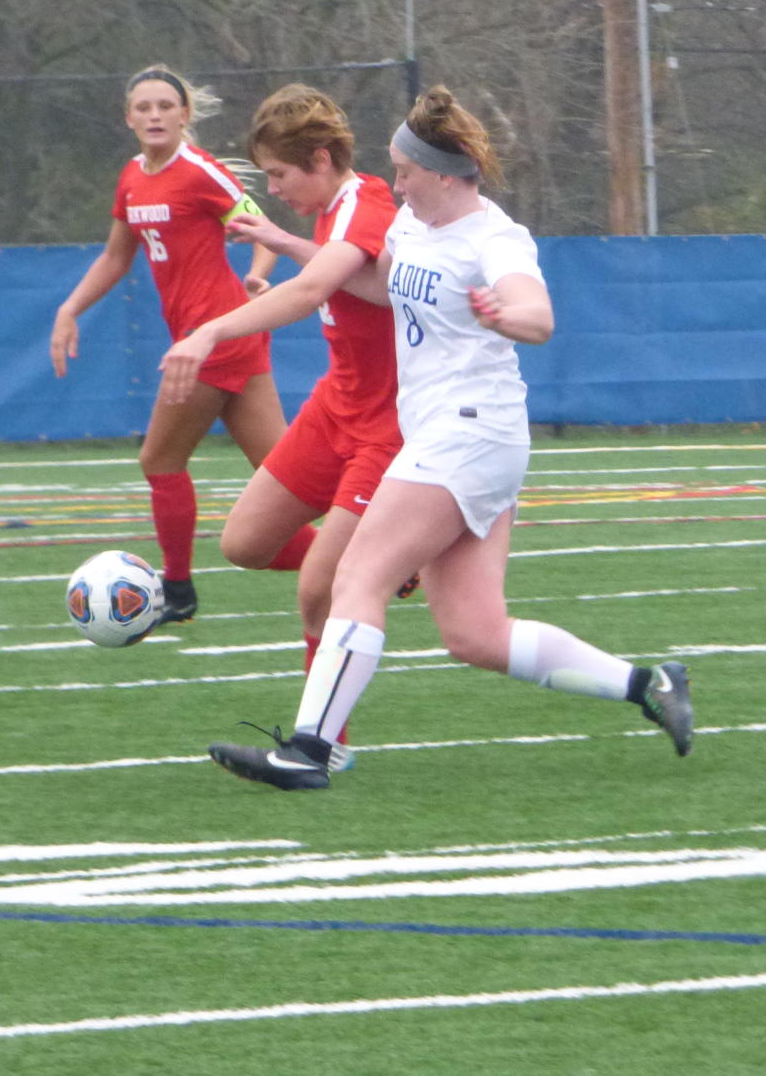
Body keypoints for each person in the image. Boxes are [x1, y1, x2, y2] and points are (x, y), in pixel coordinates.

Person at [207, 85, 695, 789]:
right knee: (474, 634)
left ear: (441, 174)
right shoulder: (411, 225)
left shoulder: (493, 237)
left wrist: (507, 315)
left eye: (403, 171)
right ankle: (649, 684)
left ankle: (311, 750)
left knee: (356, 575)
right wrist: (287, 243)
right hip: (453, 438)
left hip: (469, 433)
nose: (393, 183)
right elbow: (382, 287)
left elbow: (538, 313)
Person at [158, 84, 407, 766]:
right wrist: (282, 240)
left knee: (316, 592)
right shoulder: (332, 211)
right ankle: (382, 557)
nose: (272, 189)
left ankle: (322, 750)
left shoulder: (367, 204)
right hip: (336, 407)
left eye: (278, 175)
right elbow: (338, 273)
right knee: (243, 542)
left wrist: (205, 334)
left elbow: (310, 292)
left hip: (386, 425)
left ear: (321, 159)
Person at [49, 65, 314, 626]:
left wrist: (260, 273)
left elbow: (257, 224)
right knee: (286, 472)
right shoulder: (131, 178)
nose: (154, 116)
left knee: (160, 459)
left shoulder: (199, 171)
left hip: (213, 338)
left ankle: (177, 590)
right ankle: (371, 556)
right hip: (227, 336)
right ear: (128, 118)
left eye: (165, 106)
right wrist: (70, 309)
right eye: (143, 108)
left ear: (184, 114)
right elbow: (117, 256)